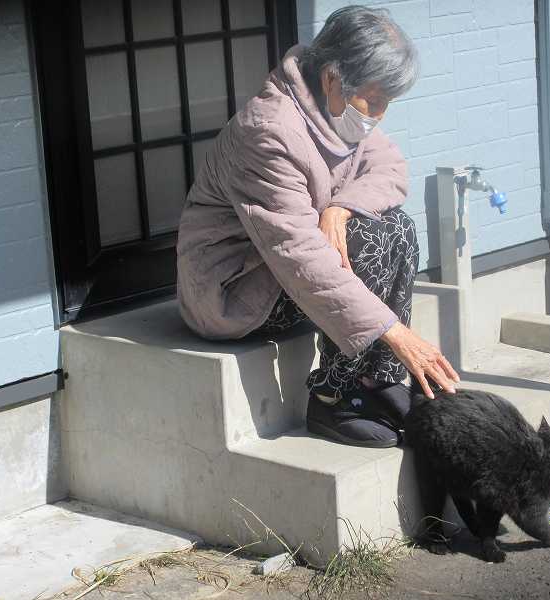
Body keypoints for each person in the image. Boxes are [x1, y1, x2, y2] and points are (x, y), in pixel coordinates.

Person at [176, 5, 460, 448]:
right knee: (367, 240)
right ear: (332, 79)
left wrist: (340, 208)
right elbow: (301, 256)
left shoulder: (336, 107)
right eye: (375, 102)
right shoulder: (269, 131)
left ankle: (376, 382)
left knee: (396, 226)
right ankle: (332, 397)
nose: (379, 115)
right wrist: (396, 333)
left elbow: (390, 169)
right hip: (234, 292)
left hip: (281, 273)